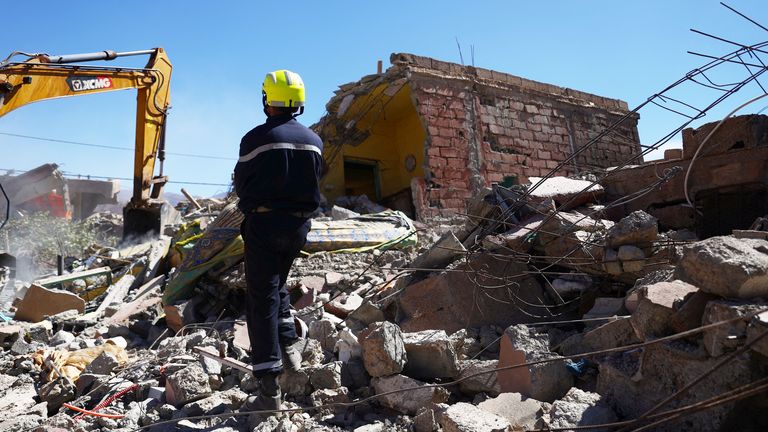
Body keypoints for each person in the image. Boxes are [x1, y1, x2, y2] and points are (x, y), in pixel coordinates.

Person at [233, 69, 324, 411]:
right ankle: (290, 355)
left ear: (267, 99)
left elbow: (242, 186)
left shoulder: (255, 139)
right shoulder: (315, 141)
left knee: (261, 298)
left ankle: (269, 386)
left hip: (264, 225)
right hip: (298, 228)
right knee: (278, 286)